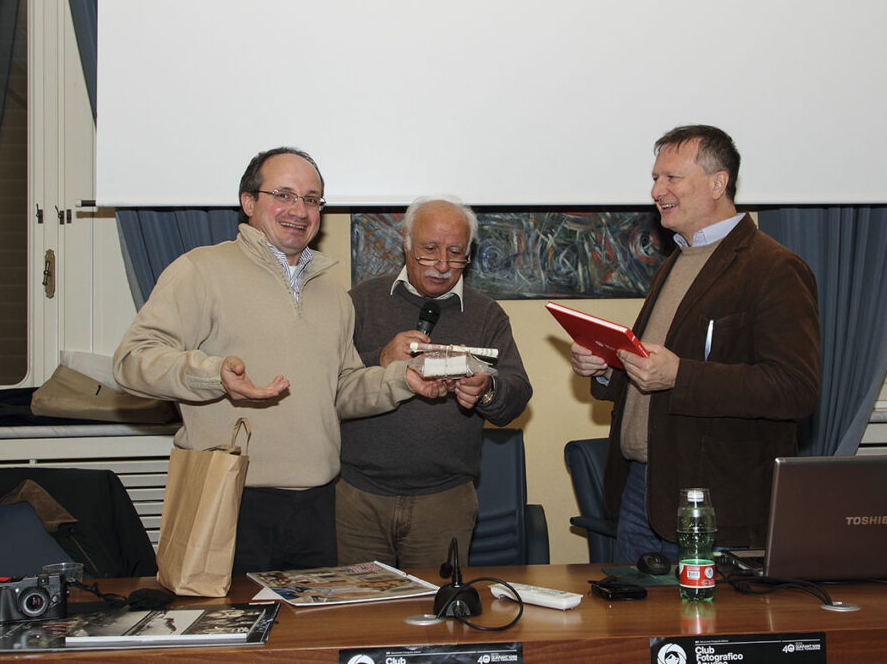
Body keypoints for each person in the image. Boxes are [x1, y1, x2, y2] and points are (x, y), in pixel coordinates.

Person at [113, 147, 446, 573]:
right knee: (223, 617)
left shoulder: (333, 293)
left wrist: (403, 380)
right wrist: (214, 375)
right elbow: (132, 360)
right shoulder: (200, 270)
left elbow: (341, 389)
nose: (299, 210)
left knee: (308, 620)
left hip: (318, 503)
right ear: (248, 202)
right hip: (227, 497)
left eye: (311, 199)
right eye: (283, 195)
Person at [570, 125, 820, 562]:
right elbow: (656, 369)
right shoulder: (677, 261)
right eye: (655, 178)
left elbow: (795, 388)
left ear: (718, 183)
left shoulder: (775, 268)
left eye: (672, 178)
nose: (657, 191)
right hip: (641, 493)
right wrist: (610, 367)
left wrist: (681, 376)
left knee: (703, 611)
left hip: (710, 503)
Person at [337, 195, 532, 567]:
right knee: (358, 604)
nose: (443, 265)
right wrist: (380, 359)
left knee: (439, 604)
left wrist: (487, 390)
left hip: (445, 502)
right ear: (406, 243)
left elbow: (518, 393)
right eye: (429, 250)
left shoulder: (486, 314)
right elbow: (328, 383)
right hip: (358, 498)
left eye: (456, 253)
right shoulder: (360, 302)